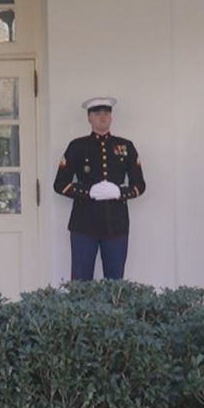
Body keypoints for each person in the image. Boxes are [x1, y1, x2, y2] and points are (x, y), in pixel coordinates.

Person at [53, 96, 146, 280]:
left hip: (116, 224)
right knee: (81, 282)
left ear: (111, 117)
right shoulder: (77, 146)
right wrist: (88, 192)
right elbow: (60, 184)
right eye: (97, 113)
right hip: (84, 224)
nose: (102, 117)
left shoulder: (125, 146)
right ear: (89, 118)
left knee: (115, 283)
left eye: (106, 113)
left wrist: (120, 192)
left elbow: (139, 185)